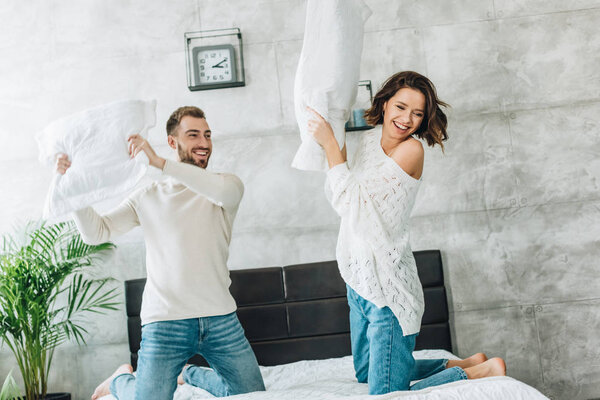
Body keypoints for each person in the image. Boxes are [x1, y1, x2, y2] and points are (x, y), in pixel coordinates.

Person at [306, 71, 506, 394]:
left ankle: (478, 373)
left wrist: (330, 141)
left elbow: (349, 199)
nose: (407, 119)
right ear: (384, 105)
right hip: (359, 284)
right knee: (363, 373)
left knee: (387, 392)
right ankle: (458, 363)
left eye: (417, 113)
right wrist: (333, 140)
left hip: (387, 292)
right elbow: (341, 192)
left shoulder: (411, 151)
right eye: (400, 107)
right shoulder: (370, 141)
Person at [56, 106, 265, 400]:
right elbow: (97, 232)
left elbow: (220, 191)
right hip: (165, 322)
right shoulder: (148, 196)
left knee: (253, 394)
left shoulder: (226, 187)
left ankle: (189, 373)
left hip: (220, 320)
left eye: (207, 135)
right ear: (172, 142)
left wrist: (158, 162)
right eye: (193, 135)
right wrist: (74, 191)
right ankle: (119, 380)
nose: (203, 143)